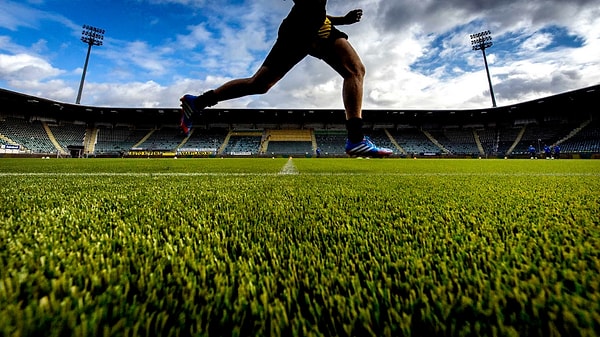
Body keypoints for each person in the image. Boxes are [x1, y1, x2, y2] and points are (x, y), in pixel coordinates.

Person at [179, 0, 392, 158]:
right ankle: (198, 102)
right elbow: (305, 5)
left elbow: (315, 7)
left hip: (318, 26)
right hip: (300, 28)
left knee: (355, 70)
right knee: (260, 84)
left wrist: (340, 20)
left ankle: (356, 139)